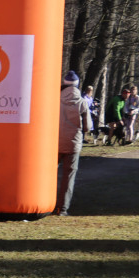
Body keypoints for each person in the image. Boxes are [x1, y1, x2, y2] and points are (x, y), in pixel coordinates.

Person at [55, 70, 89, 216]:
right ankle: (62, 208)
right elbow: (87, 127)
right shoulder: (82, 103)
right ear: (77, 85)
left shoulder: (55, 100)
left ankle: (47, 203)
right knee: (68, 176)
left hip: (55, 143)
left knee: (50, 174)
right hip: (73, 144)